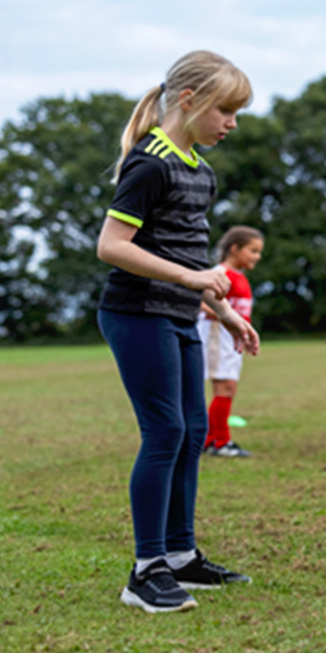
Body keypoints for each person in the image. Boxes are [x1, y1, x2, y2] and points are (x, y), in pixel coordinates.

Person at [96, 50, 264, 614]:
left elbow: (191, 256)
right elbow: (112, 247)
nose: (232, 123)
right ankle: (145, 572)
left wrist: (226, 313)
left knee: (193, 431)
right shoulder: (151, 164)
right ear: (188, 102)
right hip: (136, 314)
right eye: (226, 110)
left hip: (181, 314)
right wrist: (195, 278)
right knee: (164, 432)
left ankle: (179, 555)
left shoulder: (200, 171)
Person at [203, 226, 265, 459]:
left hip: (232, 339)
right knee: (225, 387)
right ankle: (218, 441)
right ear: (234, 248)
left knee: (228, 388)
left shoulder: (239, 276)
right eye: (253, 250)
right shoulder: (219, 274)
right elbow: (197, 300)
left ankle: (212, 439)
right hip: (218, 336)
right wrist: (220, 315)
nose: (257, 257)